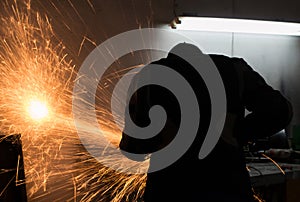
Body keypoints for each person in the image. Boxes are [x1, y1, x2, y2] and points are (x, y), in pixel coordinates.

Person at [119, 43, 293, 202]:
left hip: (170, 190)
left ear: (171, 61)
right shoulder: (235, 70)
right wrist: (239, 133)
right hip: (227, 187)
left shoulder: (150, 75)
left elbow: (134, 148)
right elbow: (281, 110)